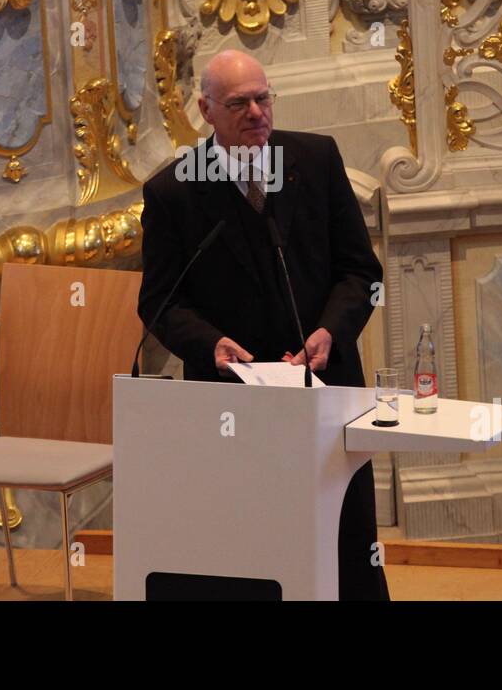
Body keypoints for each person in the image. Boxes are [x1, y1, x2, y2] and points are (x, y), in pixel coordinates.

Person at [138, 48, 389, 600]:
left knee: (345, 546)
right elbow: (159, 302)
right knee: (253, 553)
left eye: (262, 98)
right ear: (205, 109)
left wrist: (331, 330)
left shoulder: (317, 160)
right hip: (235, 403)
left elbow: (359, 272)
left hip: (325, 386)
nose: (255, 113)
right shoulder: (173, 192)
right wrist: (209, 345)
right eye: (238, 103)